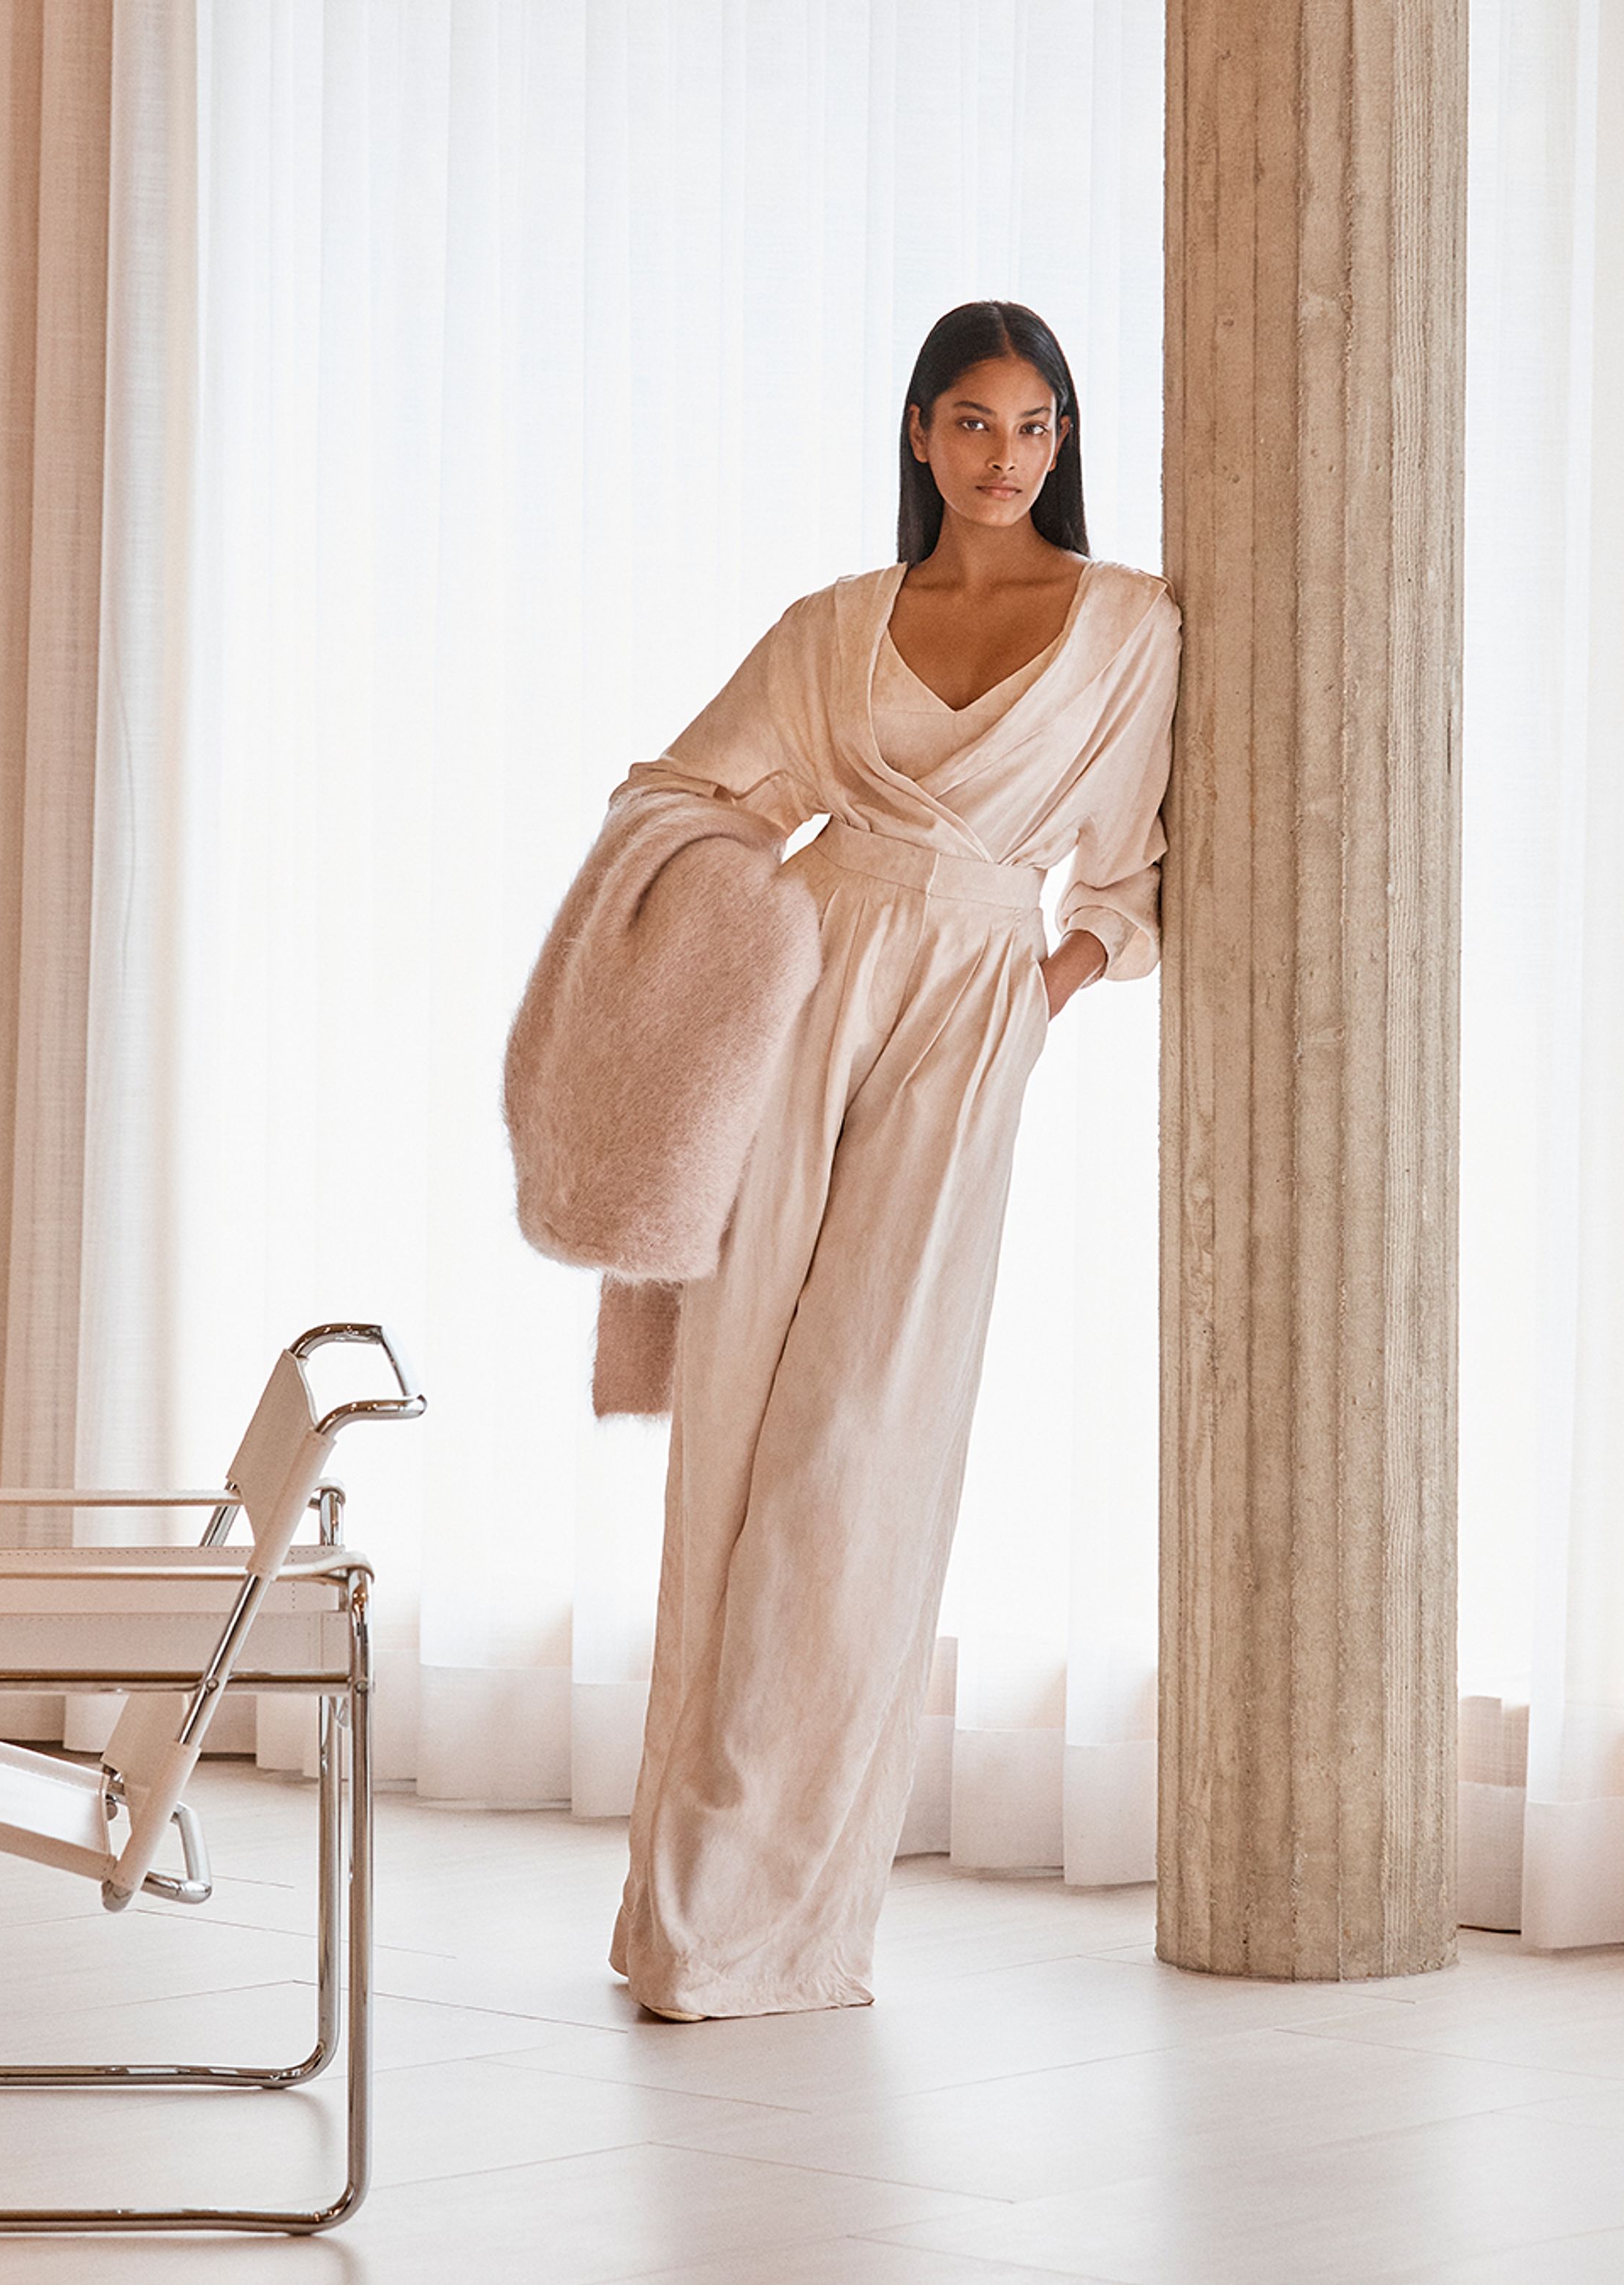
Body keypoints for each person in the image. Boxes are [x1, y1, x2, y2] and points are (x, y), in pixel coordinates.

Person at [605, 300, 1182, 2022]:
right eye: (974, 424)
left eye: (1037, 427)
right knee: (734, 1429)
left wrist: (1046, 983)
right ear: (919, 436)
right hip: (799, 997)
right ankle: (677, 1918)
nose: (1007, 458)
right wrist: (737, 935)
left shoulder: (1131, 627)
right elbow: (681, 791)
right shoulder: (834, 626)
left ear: (1061, 445)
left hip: (969, 1006)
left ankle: (764, 1917)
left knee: (857, 1447)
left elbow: (1133, 881)